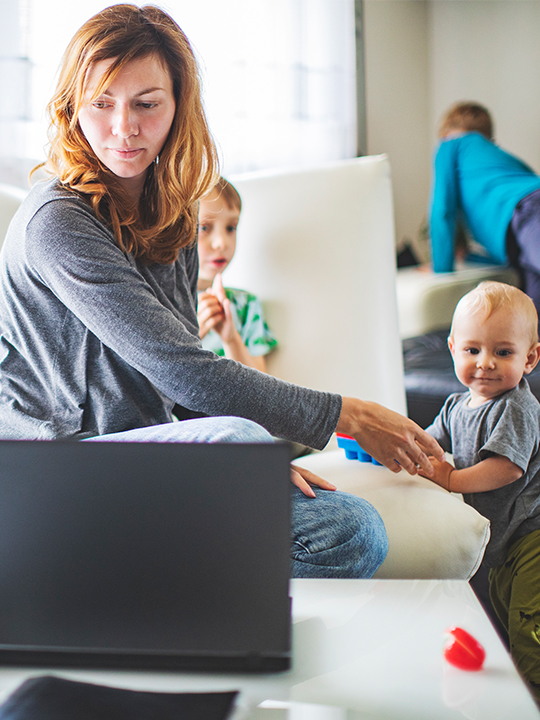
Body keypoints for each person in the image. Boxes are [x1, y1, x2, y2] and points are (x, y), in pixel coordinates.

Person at [0, 4, 444, 580]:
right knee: (238, 434)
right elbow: (186, 370)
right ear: (73, 107)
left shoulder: (178, 216)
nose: (124, 128)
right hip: (52, 465)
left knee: (353, 531)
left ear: (179, 107)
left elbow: (183, 392)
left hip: (150, 460)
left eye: (146, 104)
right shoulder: (57, 222)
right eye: (101, 103)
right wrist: (346, 415)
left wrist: (245, 457)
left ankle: (147, 565)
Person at [421, 281, 540, 702]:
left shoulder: (517, 407)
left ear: (530, 358)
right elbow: (428, 443)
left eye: (502, 352)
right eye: (472, 350)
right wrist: (391, 449)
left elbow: (507, 468)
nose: (485, 363)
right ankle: (506, 698)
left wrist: (450, 479)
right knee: (494, 620)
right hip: (493, 540)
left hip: (530, 538)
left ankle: (532, 697)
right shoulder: (455, 407)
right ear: (453, 348)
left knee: (530, 626)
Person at [429, 101, 540, 315]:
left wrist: (440, 270)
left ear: (446, 132)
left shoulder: (450, 146)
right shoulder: (506, 161)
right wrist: (466, 256)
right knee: (532, 320)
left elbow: (442, 208)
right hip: (523, 228)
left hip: (529, 211)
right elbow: (506, 250)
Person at [197, 177, 277, 372]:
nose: (222, 243)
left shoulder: (244, 305)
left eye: (230, 228)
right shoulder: (158, 305)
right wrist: (190, 336)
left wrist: (231, 339)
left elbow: (262, 390)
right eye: (204, 228)